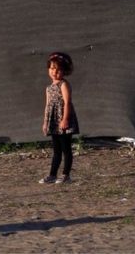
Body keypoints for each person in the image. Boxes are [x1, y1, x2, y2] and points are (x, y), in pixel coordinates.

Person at [39, 52, 79, 184]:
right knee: (56, 150)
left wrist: (65, 119)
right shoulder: (48, 88)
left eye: (58, 69)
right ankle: (52, 175)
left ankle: (66, 175)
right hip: (53, 122)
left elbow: (67, 102)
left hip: (63, 120)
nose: (54, 72)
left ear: (64, 71)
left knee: (66, 148)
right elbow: (47, 106)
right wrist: (45, 123)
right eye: (52, 68)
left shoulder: (64, 85)